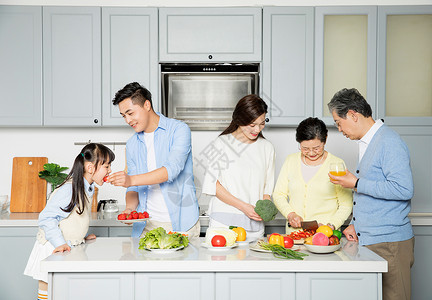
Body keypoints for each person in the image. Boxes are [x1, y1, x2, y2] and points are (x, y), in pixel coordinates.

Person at [328, 88, 414, 300]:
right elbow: (377, 190)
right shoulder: (368, 142)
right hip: (373, 240)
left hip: (390, 243)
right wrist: (359, 224)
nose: (339, 129)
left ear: (353, 115)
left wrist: (355, 182)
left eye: (339, 122)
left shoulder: (388, 141)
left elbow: (403, 189)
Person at [108, 82, 200, 238]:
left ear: (147, 105)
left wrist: (130, 180)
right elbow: (133, 187)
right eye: (124, 116)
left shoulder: (179, 130)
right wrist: (130, 209)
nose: (127, 120)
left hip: (182, 224)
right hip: (147, 225)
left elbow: (171, 171)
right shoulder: (132, 144)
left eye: (130, 113)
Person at [24, 143, 115, 300]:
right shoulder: (70, 188)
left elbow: (72, 219)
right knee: (47, 286)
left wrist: (80, 238)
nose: (110, 170)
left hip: (66, 246)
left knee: (64, 289)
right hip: (53, 246)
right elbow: (47, 218)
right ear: (90, 168)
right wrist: (59, 243)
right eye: (107, 166)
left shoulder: (87, 187)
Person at [201, 94, 275, 241]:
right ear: (239, 120)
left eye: (262, 123)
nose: (257, 129)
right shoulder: (222, 144)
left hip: (254, 226)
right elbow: (213, 185)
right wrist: (244, 207)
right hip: (223, 224)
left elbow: (267, 190)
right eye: (252, 125)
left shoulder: (267, 148)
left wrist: (264, 209)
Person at [272, 117, 352, 234]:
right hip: (295, 234)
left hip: (324, 236)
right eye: (305, 148)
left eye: (316, 148)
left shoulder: (336, 164)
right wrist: (290, 214)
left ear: (325, 140)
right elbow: (279, 194)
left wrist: (331, 226)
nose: (311, 153)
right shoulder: (291, 160)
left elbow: (345, 204)